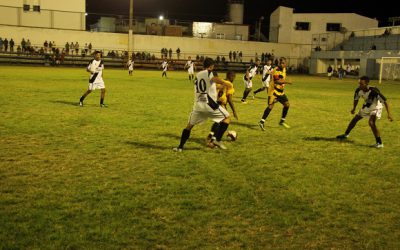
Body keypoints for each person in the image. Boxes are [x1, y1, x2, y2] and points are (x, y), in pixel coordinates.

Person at [173, 58, 232, 152]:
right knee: (227, 118)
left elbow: (208, 84)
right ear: (211, 66)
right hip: (209, 104)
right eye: (213, 66)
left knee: (189, 126)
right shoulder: (209, 72)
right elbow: (215, 79)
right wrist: (225, 83)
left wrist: (221, 86)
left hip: (198, 105)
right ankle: (217, 140)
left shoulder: (198, 75)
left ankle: (180, 147)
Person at [336, 76, 393, 148]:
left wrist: (389, 114)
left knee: (371, 123)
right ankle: (346, 134)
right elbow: (356, 99)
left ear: (367, 84)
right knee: (355, 119)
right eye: (359, 83)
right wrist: (354, 108)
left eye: (361, 84)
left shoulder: (374, 91)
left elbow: (385, 101)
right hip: (367, 106)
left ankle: (379, 143)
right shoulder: (358, 90)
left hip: (376, 106)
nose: (359, 85)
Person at [258, 57, 292, 130]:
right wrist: (287, 82)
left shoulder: (284, 69)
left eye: (283, 63)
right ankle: (261, 122)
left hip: (280, 91)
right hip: (273, 91)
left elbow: (279, 78)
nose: (281, 64)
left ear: (285, 63)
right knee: (270, 106)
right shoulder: (276, 70)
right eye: (280, 63)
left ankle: (282, 121)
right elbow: (277, 81)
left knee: (287, 104)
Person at [206, 71, 238, 144]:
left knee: (219, 120)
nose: (234, 79)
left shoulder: (220, 82)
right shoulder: (229, 84)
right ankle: (215, 139)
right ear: (231, 77)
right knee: (226, 119)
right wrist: (234, 111)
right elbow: (229, 99)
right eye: (234, 77)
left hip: (213, 103)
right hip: (220, 105)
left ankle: (212, 135)